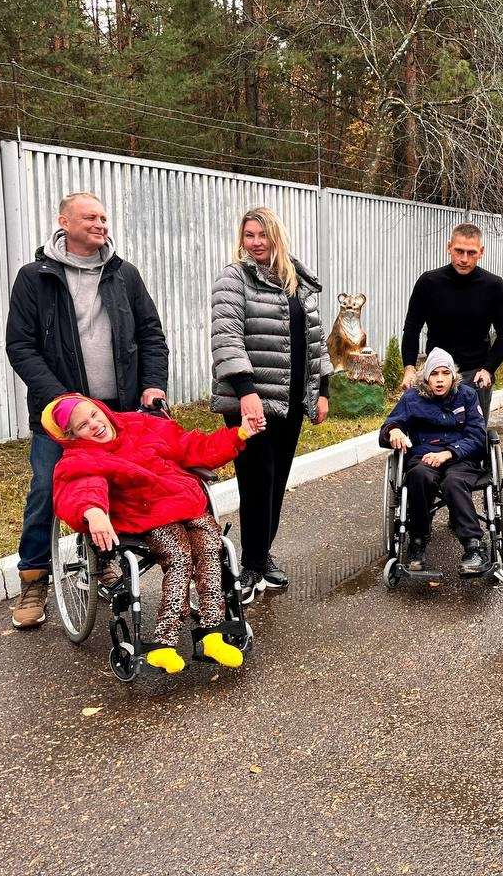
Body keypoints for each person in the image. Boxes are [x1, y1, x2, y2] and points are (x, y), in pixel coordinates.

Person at [4, 191, 169, 630]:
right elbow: (20, 347)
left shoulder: (123, 275)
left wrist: (153, 385)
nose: (100, 224)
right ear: (64, 221)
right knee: (46, 489)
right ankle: (34, 579)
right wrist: (64, 401)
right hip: (60, 417)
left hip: (117, 411)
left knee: (113, 488)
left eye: (103, 217)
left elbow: (151, 333)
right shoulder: (34, 278)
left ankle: (107, 563)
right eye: (90, 217)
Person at [46, 394, 256, 673]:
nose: (95, 425)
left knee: (211, 548)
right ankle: (164, 642)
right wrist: (93, 511)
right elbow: (82, 487)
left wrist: (238, 434)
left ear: (103, 410)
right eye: (83, 425)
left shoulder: (139, 424)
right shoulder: (81, 457)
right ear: (72, 434)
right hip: (147, 515)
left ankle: (212, 634)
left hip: (186, 502)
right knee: (180, 557)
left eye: (95, 415)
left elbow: (191, 446)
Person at [210, 207, 331, 601]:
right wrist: (246, 392)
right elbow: (226, 339)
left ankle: (261, 558)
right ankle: (250, 567)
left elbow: (315, 339)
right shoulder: (234, 279)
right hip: (251, 404)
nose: (256, 242)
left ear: (277, 237)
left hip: (291, 402)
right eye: (249, 235)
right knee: (255, 481)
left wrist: (322, 390)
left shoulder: (296, 279)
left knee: (276, 483)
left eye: (263, 235)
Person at [380, 348, 490, 575]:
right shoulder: (412, 398)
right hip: (424, 457)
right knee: (418, 476)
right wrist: (394, 431)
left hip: (460, 458)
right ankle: (418, 541)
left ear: (453, 375)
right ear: (426, 377)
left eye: (445, 373)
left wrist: (448, 453)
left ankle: (473, 547)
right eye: (434, 374)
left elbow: (478, 437)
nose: (440, 379)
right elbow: (389, 425)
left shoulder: (467, 395)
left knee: (453, 482)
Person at [401, 222, 503, 420]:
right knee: (431, 433)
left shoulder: (494, 286)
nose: (464, 259)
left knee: (473, 437)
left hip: (475, 373)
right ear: (449, 247)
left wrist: (488, 369)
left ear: (481, 252)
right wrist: (409, 368)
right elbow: (411, 329)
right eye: (459, 251)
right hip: (437, 374)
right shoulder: (429, 282)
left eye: (471, 253)